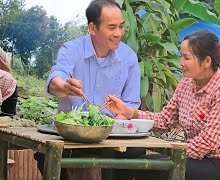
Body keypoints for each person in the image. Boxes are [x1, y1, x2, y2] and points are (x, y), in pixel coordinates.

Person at [105, 30, 220, 180]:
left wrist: (168, 150)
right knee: (136, 163)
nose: (181, 62)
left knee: (154, 168)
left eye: (186, 57)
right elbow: (165, 120)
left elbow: (206, 143)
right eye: (181, 56)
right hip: (193, 159)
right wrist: (129, 112)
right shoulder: (186, 83)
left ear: (207, 61)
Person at [35, 0, 143, 179]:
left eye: (121, 27)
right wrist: (65, 87)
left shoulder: (129, 57)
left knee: (135, 153)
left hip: (111, 133)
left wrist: (112, 123)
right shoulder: (71, 49)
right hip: (72, 134)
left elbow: (131, 104)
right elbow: (55, 80)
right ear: (93, 28)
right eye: (111, 27)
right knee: (45, 155)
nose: (118, 34)